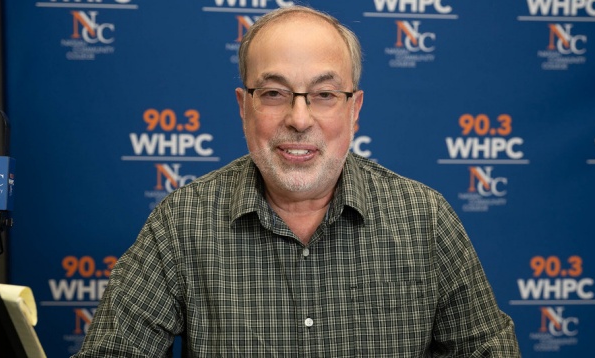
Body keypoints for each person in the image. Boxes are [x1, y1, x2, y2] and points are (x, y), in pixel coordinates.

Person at [74, 5, 520, 357]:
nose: (299, 119)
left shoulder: (424, 218)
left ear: (354, 109)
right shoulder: (182, 222)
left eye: (324, 95)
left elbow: (488, 351)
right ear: (243, 107)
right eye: (274, 93)